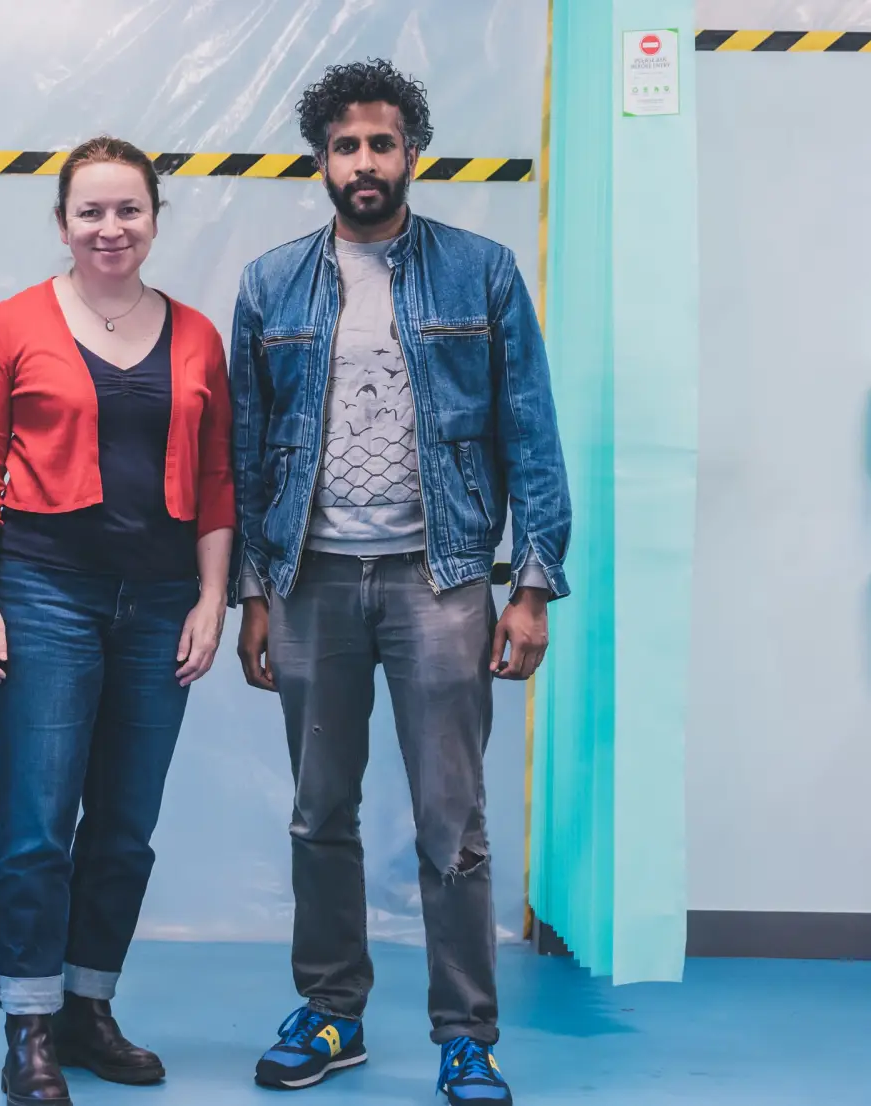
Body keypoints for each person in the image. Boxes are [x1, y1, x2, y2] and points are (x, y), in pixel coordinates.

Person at [229, 60, 570, 1105]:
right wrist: (253, 588)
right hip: (312, 582)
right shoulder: (269, 282)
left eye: (381, 143)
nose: (364, 162)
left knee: (450, 822)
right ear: (320, 159)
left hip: (442, 578)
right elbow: (245, 453)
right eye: (345, 145)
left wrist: (530, 585)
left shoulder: (482, 272)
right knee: (317, 811)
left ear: (410, 153)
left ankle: (466, 1032)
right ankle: (331, 1010)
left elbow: (530, 436)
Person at [0, 136, 235, 1105]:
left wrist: (209, 596)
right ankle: (27, 1023)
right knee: (35, 823)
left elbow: (215, 479)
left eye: (128, 210)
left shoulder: (194, 335)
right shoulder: (8, 326)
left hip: (159, 603)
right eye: (90, 212)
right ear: (62, 222)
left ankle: (86, 1006)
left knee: (124, 827)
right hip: (42, 593)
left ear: (154, 217)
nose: (109, 228)